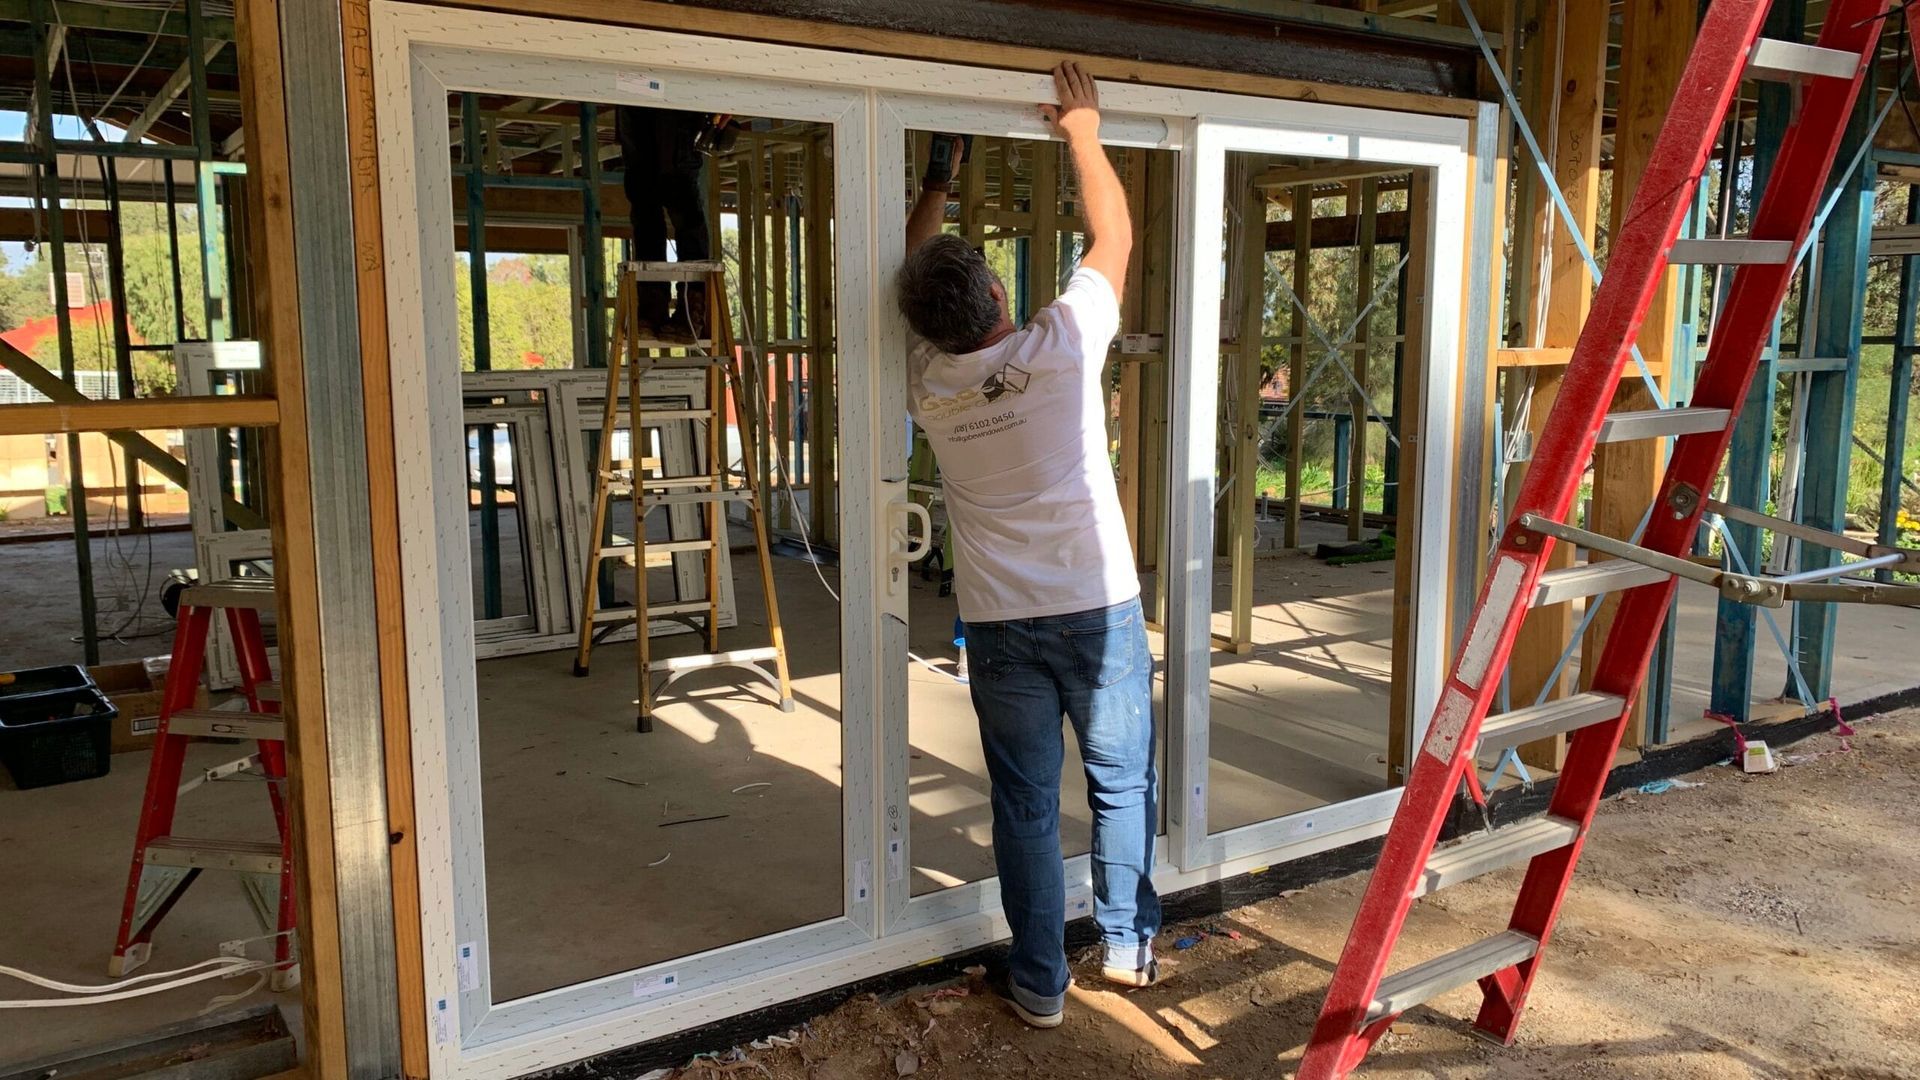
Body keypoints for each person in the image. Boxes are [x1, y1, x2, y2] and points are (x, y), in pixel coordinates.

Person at [898, 62, 1160, 1029]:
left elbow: (916, 274)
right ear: (1001, 290)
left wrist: (936, 183)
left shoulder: (929, 383)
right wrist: (1083, 130)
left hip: (1002, 627)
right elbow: (1115, 237)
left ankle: (1041, 984)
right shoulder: (1060, 348)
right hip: (1098, 609)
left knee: (1024, 806)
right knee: (1120, 784)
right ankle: (1127, 948)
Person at [616, 106, 716, 342]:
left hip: (677, 108)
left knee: (681, 201)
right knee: (645, 206)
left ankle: (691, 312)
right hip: (639, 106)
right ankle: (652, 306)